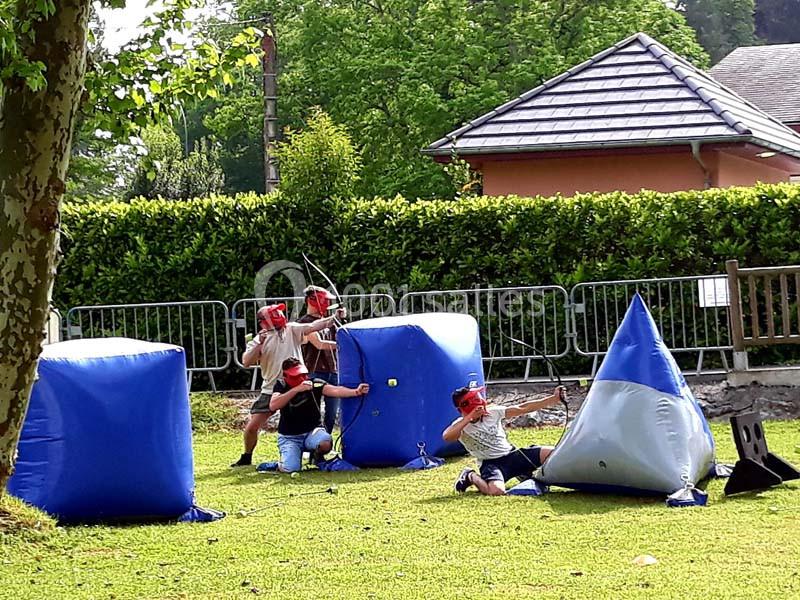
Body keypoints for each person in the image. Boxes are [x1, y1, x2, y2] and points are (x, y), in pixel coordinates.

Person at [230, 302, 345, 467]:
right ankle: (247, 456)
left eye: (279, 314)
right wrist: (260, 343)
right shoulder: (258, 340)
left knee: (310, 421)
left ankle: (317, 454)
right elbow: (246, 361)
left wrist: (334, 318)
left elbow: (313, 326)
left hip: (299, 385)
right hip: (272, 389)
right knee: (252, 427)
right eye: (274, 315)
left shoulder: (291, 329)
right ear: (263, 321)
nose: (279, 317)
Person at [442, 385, 566, 496]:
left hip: (513, 455)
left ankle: (523, 471)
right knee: (496, 491)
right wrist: (469, 418)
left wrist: (553, 399)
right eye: (475, 400)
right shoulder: (460, 425)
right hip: (491, 464)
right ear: (464, 407)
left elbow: (523, 408)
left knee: (553, 453)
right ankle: (470, 475)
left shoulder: (493, 412)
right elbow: (447, 437)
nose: (481, 402)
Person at [259, 357, 369, 473]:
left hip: (312, 432)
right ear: (286, 376)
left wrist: (356, 392)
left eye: (303, 374)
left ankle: (317, 458)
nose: (302, 379)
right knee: (291, 468)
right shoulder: (281, 385)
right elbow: (273, 405)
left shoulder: (314, 383)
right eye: (296, 377)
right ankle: (279, 464)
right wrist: (296, 390)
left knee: (325, 441)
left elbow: (335, 390)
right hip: (290, 437)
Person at [297, 286, 340, 433]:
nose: (327, 304)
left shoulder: (328, 321)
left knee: (332, 414)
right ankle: (314, 443)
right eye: (325, 300)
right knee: (314, 413)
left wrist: (340, 319)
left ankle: (326, 442)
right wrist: (341, 345)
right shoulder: (304, 323)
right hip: (315, 372)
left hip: (333, 371)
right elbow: (319, 344)